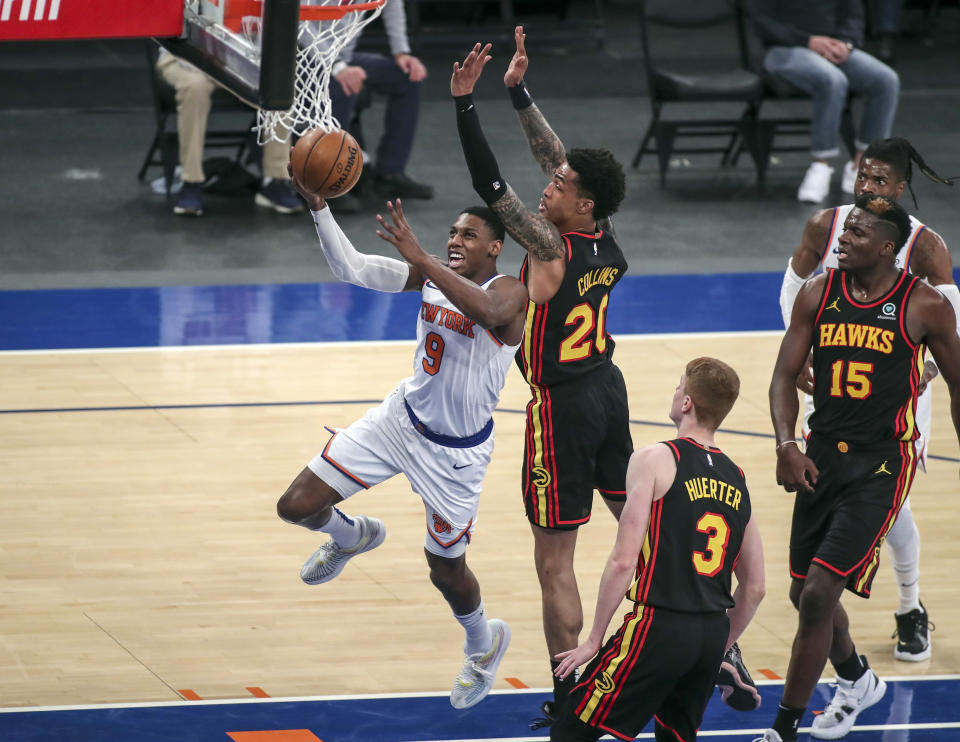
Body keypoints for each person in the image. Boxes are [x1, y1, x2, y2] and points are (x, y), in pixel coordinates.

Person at [274, 174, 529, 709]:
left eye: (468, 234)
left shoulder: (509, 290)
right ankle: (351, 536)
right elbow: (352, 268)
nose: (455, 240)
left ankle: (484, 646)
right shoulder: (432, 277)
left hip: (456, 456)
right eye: (452, 233)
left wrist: (427, 260)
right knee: (295, 506)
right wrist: (320, 209)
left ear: (495, 246)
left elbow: (492, 317)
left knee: (446, 568)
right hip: (399, 421)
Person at [450, 28, 635, 723]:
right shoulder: (604, 226)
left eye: (560, 187)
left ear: (579, 204)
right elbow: (557, 154)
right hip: (608, 389)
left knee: (555, 562)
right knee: (636, 525)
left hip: (560, 408)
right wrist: (518, 92)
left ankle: (571, 701)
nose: (550, 181)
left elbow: (489, 187)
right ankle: (704, 626)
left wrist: (466, 105)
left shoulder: (550, 244)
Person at [763, 194, 960, 742]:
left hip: (882, 463)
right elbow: (783, 377)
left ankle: (782, 731)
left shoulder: (925, 306)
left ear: (888, 248)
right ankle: (856, 680)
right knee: (802, 596)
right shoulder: (817, 292)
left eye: (856, 233)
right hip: (821, 451)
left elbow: (958, 383)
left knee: (822, 594)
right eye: (844, 229)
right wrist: (785, 444)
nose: (841, 238)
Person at [550, 357, 766, 742]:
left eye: (678, 385)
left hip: (659, 627)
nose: (675, 390)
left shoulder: (654, 460)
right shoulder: (738, 477)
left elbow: (622, 560)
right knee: (676, 737)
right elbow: (754, 588)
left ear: (687, 403)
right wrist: (724, 644)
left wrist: (594, 640)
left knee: (571, 727)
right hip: (711, 633)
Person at [747, 0, 900, 204]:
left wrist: (846, 43)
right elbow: (761, 22)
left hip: (832, 47)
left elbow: (853, 14)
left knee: (885, 80)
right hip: (784, 49)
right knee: (831, 80)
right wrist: (808, 41)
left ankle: (863, 167)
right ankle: (821, 165)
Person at [312, 0, 433, 212]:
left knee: (407, 78)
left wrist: (401, 52)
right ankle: (330, 182)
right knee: (345, 84)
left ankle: (390, 172)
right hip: (304, 59)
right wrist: (337, 67)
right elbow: (295, 24)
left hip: (343, 58)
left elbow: (392, 5)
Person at [156, 50, 303, 217]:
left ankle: (276, 181)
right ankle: (191, 181)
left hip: (236, 57)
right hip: (182, 57)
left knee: (278, 85)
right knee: (195, 86)